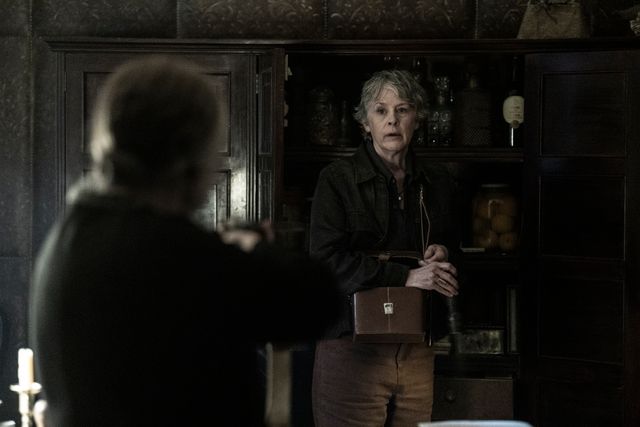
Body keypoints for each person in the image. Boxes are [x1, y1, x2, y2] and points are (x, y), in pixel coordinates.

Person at [29, 55, 339, 427]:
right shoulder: (169, 250)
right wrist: (253, 247)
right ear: (187, 156)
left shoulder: (72, 234)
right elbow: (317, 300)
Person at [309, 69, 460, 426]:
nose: (392, 120)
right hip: (351, 346)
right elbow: (326, 263)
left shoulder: (437, 180)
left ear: (417, 119)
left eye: (402, 109)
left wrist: (444, 254)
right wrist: (406, 277)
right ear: (365, 123)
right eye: (381, 110)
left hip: (417, 347)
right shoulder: (337, 179)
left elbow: (456, 252)